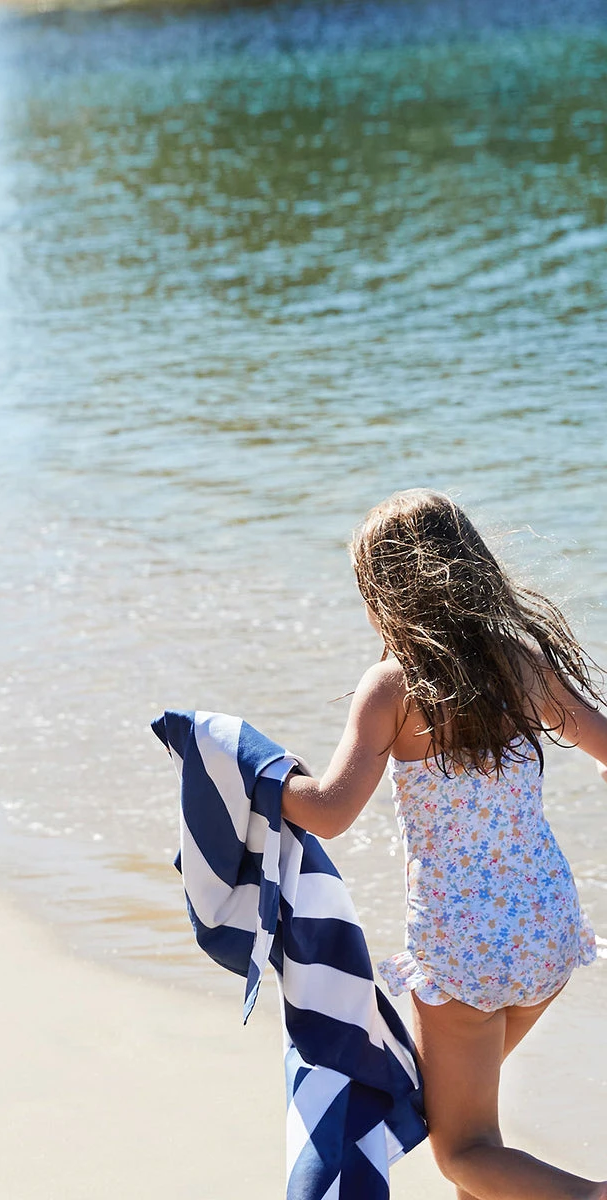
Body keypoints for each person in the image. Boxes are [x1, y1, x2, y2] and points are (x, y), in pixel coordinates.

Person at [279, 489, 607, 1200]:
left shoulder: (393, 688)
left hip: (464, 953)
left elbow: (329, 813)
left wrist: (257, 775)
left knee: (461, 1149)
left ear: (381, 595)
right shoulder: (522, 663)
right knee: (478, 1139)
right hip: (547, 930)